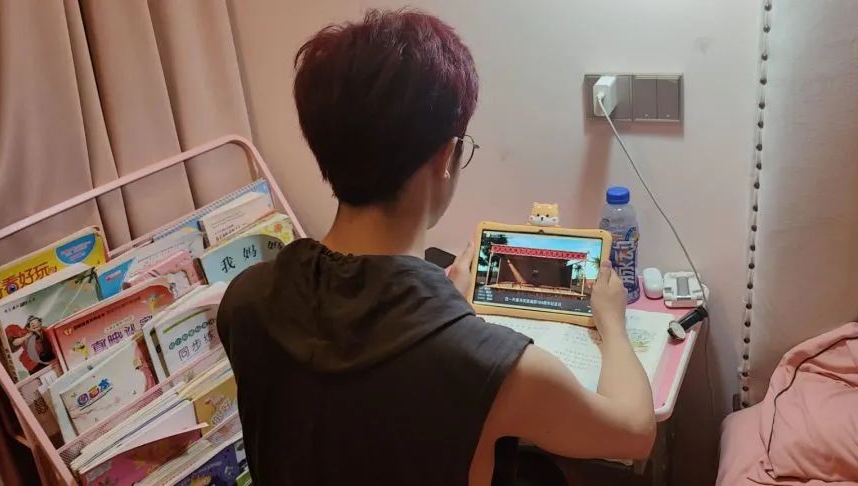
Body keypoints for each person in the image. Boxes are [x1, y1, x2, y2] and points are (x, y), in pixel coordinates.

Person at [216, 9, 655, 486]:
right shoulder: (490, 366)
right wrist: (613, 323)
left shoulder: (246, 300)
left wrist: (446, 309)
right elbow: (634, 433)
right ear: (446, 156)